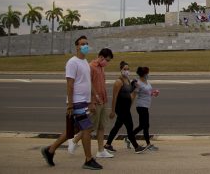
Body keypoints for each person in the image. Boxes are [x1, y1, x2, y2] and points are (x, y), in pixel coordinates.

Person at [41, 36, 102, 170]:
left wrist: (93, 98)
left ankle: (50, 150)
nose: (85, 46)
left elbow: (88, 82)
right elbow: (70, 84)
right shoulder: (72, 63)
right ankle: (88, 159)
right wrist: (70, 103)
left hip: (84, 101)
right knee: (87, 128)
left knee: (73, 130)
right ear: (77, 47)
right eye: (82, 44)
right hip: (77, 101)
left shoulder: (85, 62)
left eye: (87, 43)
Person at [68, 48, 114, 159]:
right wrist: (92, 101)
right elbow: (88, 85)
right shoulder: (91, 67)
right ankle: (74, 141)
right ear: (101, 57)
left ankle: (101, 150)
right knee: (91, 126)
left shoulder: (101, 68)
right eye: (107, 60)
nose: (107, 62)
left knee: (102, 126)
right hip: (95, 102)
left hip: (103, 100)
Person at [104, 61, 146, 154]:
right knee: (129, 126)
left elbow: (130, 92)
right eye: (124, 69)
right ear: (121, 70)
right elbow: (114, 97)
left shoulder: (127, 80)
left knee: (117, 126)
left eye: (128, 69)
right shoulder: (119, 82)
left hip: (126, 108)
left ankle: (107, 144)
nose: (126, 71)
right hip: (120, 108)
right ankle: (136, 147)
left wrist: (134, 85)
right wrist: (113, 111)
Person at [132, 66, 160, 151]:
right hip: (141, 106)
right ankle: (148, 144)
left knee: (142, 125)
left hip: (146, 106)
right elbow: (134, 94)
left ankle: (130, 136)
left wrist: (154, 93)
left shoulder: (146, 82)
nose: (148, 75)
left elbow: (148, 93)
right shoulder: (138, 83)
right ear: (144, 74)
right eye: (147, 73)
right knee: (146, 125)